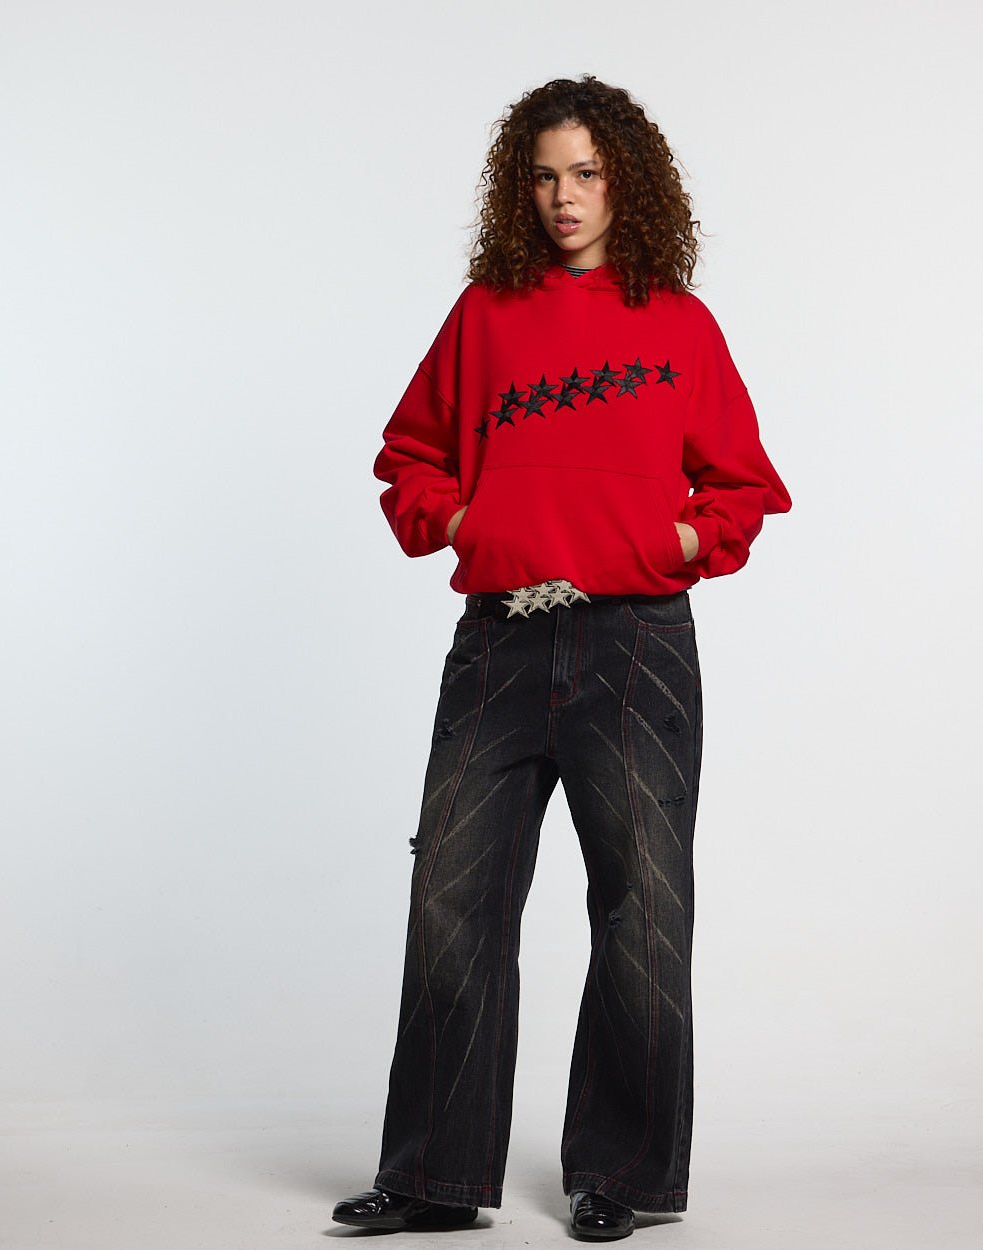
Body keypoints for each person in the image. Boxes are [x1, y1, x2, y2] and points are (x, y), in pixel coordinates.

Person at [332, 74, 791, 1241]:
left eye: (585, 172)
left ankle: (622, 1176)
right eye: (542, 176)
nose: (564, 196)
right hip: (498, 639)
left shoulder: (678, 324)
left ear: (626, 181)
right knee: (451, 898)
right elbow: (410, 456)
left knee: (643, 910)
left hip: (635, 644)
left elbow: (741, 487)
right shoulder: (484, 314)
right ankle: (434, 1177)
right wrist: (464, 522)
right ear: (518, 189)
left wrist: (667, 541)